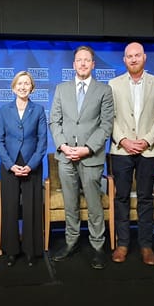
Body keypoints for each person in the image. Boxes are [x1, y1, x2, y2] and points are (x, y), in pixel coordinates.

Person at [49, 45, 114, 269]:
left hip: (90, 157)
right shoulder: (61, 89)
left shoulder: (104, 91)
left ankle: (97, 246)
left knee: (95, 205)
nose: (83, 63)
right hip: (65, 157)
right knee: (70, 203)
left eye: (87, 60)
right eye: (79, 60)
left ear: (93, 64)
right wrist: (63, 146)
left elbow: (106, 125)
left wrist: (87, 148)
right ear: (74, 64)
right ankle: (71, 242)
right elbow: (54, 121)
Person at [108, 42, 154, 265]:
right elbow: (109, 117)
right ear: (124, 60)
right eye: (129, 56)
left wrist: (146, 140)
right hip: (121, 149)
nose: (133, 59)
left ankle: (146, 246)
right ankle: (122, 244)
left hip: (148, 150)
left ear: (145, 58)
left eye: (137, 55)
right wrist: (123, 139)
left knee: (145, 198)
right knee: (121, 197)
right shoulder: (113, 84)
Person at [0, 71, 48, 267]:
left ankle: (30, 250)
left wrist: (30, 165)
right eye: (20, 83)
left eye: (27, 84)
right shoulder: (4, 110)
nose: (23, 87)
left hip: (31, 165)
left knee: (31, 207)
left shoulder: (39, 110)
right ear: (13, 87)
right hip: (9, 164)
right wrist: (10, 165)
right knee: (9, 207)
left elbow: (43, 142)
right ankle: (11, 250)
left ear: (32, 88)